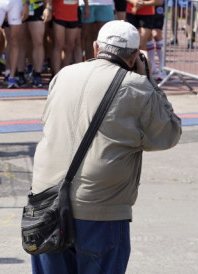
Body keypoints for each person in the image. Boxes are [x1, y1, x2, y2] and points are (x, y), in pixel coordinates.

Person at [29, 21, 181, 274]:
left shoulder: (64, 75)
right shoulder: (137, 86)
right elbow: (168, 134)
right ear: (135, 56)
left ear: (96, 47)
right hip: (100, 207)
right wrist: (150, 81)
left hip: (46, 201)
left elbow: (49, 123)